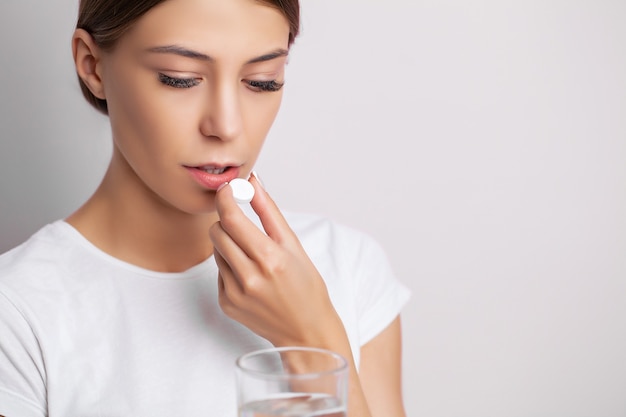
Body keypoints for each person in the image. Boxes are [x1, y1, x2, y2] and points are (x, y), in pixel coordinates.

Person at [0, 0, 411, 416]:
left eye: (262, 81)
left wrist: (314, 335)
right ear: (92, 66)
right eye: (180, 80)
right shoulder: (18, 314)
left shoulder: (347, 266)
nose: (227, 125)